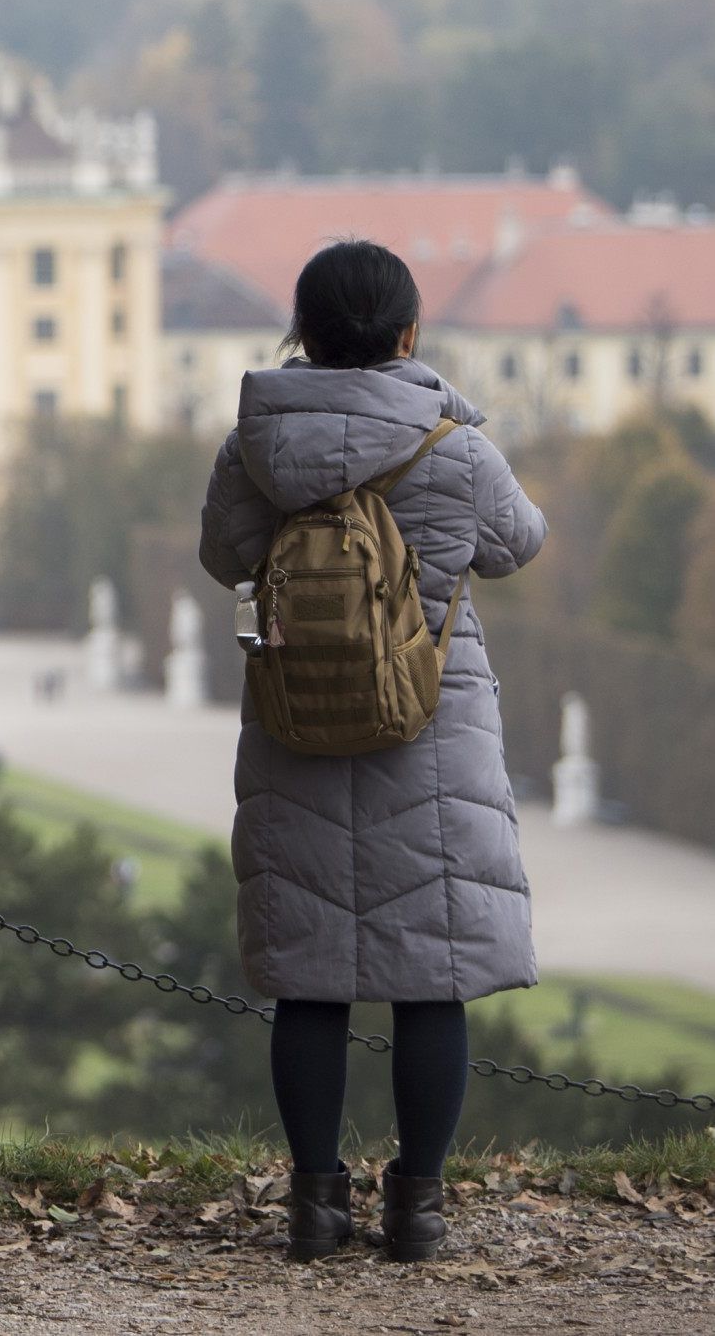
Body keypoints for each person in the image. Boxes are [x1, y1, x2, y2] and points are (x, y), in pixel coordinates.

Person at [200, 237, 546, 1264]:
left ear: (301, 332)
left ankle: (314, 1203)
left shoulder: (254, 443)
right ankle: (420, 1206)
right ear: (408, 331)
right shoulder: (453, 442)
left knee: (312, 975)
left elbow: (223, 555)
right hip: (431, 724)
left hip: (297, 711)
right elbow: (517, 544)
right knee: (429, 977)